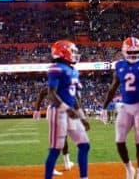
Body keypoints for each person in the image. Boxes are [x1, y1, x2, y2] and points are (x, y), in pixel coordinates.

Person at [102, 37, 139, 179]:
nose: (134, 54)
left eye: (136, 51)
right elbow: (112, 88)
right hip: (125, 106)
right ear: (124, 51)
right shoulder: (120, 66)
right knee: (119, 140)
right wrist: (104, 107)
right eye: (131, 51)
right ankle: (129, 168)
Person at [44, 40, 90, 179]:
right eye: (72, 51)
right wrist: (66, 109)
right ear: (64, 52)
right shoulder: (56, 67)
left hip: (70, 111)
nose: (75, 54)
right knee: (56, 148)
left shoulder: (74, 70)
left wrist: (82, 118)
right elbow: (51, 94)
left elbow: (74, 97)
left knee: (84, 144)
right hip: (58, 111)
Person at [34, 87, 74, 175]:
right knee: (57, 139)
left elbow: (42, 93)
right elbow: (42, 92)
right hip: (56, 112)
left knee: (63, 137)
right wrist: (37, 110)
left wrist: (37, 110)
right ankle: (51, 167)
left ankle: (67, 162)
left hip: (61, 112)